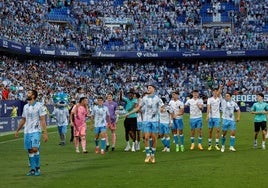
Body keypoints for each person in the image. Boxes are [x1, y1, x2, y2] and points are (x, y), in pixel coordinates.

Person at [126, 85, 164, 163]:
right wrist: (129, 113)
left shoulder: (157, 98)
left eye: (150, 88)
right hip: (146, 120)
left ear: (154, 89)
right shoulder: (144, 98)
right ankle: (147, 155)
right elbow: (138, 108)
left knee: (154, 138)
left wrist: (162, 109)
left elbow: (162, 106)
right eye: (148, 88)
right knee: (146, 137)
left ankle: (152, 155)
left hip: (154, 120)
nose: (148, 89)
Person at [15, 89, 48, 176]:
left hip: (36, 131)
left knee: (35, 149)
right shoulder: (25, 107)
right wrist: (17, 130)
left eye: (29, 93)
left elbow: (43, 120)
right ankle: (33, 169)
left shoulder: (39, 106)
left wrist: (45, 132)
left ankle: (38, 167)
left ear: (33, 96)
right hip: (27, 131)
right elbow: (23, 119)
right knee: (30, 150)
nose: (27, 94)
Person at [206, 85, 223, 151]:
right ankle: (210, 145)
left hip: (217, 117)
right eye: (214, 92)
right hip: (211, 117)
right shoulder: (209, 99)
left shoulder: (219, 98)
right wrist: (207, 115)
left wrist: (220, 87)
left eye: (216, 92)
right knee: (210, 130)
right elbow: (208, 107)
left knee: (217, 130)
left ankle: (216, 144)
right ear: (212, 93)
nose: (215, 93)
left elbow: (219, 93)